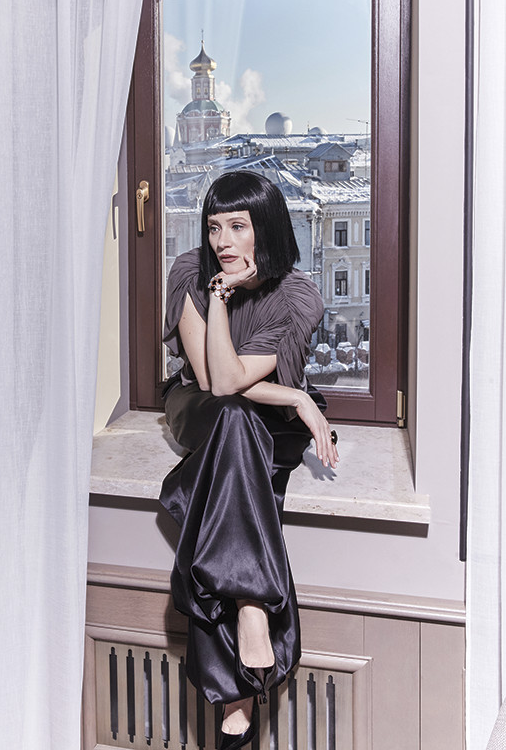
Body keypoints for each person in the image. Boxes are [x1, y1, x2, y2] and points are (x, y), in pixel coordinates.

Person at [159, 171, 339, 750]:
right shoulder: (191, 273)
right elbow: (215, 380)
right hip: (201, 406)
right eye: (214, 227)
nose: (222, 241)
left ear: (266, 228)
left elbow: (239, 379)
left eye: (238, 226)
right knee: (232, 418)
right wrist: (297, 396)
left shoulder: (298, 295)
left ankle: (232, 699)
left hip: (263, 420)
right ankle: (254, 607)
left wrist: (289, 399)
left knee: (232, 447)